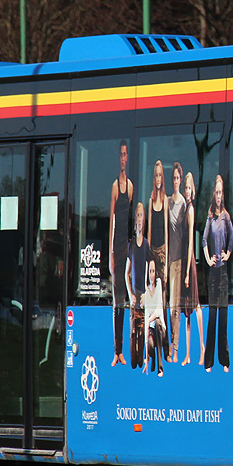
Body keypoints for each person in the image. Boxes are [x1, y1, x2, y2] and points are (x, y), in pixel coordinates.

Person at [203, 174, 233, 372]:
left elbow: (232, 236)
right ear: (213, 194)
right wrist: (207, 259)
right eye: (217, 192)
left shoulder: (226, 216)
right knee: (212, 319)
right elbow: (204, 239)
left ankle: (225, 361)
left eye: (221, 192)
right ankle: (209, 362)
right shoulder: (211, 216)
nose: (219, 196)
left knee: (223, 320)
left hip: (223, 274)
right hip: (212, 275)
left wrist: (227, 254)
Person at [109, 141, 133, 367]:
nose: (123, 158)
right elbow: (113, 220)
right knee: (117, 301)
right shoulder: (116, 186)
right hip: (117, 246)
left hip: (127, 247)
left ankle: (122, 350)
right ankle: (116, 350)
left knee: (126, 300)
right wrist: (111, 253)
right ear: (119, 158)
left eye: (126, 154)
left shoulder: (132, 187)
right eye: (121, 154)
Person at [180, 171, 206, 366]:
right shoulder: (184, 207)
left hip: (189, 265)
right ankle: (188, 353)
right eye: (185, 187)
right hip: (184, 262)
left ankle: (202, 347)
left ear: (193, 190)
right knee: (187, 310)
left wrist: (188, 271)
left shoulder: (190, 210)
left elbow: (190, 243)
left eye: (189, 188)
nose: (187, 191)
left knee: (195, 306)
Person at [148, 160, 170, 364]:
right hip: (152, 251)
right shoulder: (151, 200)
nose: (158, 179)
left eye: (160, 176)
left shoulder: (165, 200)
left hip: (162, 252)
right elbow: (148, 229)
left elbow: (165, 230)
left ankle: (165, 343)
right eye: (155, 175)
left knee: (162, 298)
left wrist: (166, 256)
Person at [167, 162, 187, 364]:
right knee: (167, 305)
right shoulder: (167, 202)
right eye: (173, 178)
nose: (175, 181)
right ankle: (168, 346)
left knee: (176, 307)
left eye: (177, 178)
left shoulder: (184, 205)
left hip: (179, 261)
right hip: (168, 260)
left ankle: (175, 347)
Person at [127, 202, 149, 370]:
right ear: (135, 220)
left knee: (144, 331)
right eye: (138, 215)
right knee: (132, 329)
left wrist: (145, 294)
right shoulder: (131, 245)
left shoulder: (146, 245)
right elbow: (126, 273)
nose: (140, 219)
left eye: (142, 215)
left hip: (144, 296)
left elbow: (150, 271)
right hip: (134, 296)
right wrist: (131, 294)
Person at [143, 252, 165, 377]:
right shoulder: (146, 291)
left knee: (156, 323)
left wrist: (149, 321)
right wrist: (146, 354)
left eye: (153, 271)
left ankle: (160, 367)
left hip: (160, 327)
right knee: (150, 342)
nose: (152, 274)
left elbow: (158, 310)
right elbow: (146, 315)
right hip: (150, 329)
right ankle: (151, 361)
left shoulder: (159, 283)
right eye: (150, 271)